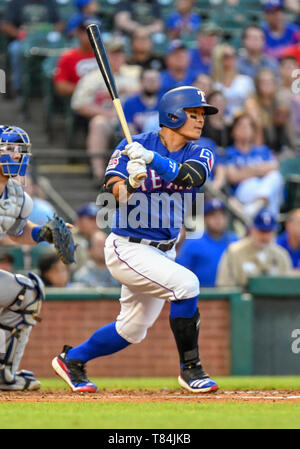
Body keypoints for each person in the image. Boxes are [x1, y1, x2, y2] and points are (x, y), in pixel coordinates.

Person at [52, 86, 220, 394]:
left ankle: (72, 359)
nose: (200, 121)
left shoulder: (201, 150)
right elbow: (114, 192)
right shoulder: (133, 144)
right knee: (187, 285)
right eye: (193, 114)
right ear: (173, 115)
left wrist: (153, 160)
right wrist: (130, 181)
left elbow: (191, 177)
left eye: (201, 115)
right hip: (127, 247)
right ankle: (191, 369)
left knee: (131, 330)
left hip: (163, 252)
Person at [0, 125, 72, 391]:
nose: (16, 156)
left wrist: (45, 233)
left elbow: (18, 231)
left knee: (30, 292)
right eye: (8, 149)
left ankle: (4, 374)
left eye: (19, 151)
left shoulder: (17, 195)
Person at [71, 35, 139, 181]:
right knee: (98, 123)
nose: (117, 57)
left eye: (120, 53)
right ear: (104, 55)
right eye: (114, 53)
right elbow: (79, 104)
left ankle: (144, 174)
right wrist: (107, 113)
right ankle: (98, 173)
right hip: (108, 118)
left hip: (132, 118)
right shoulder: (92, 78)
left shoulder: (134, 73)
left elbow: (147, 93)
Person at [225, 113, 284, 221]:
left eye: (248, 126)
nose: (245, 129)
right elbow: (233, 177)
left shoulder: (262, 150)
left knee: (276, 177)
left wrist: (247, 170)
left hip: (262, 189)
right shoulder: (229, 152)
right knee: (267, 191)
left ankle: (256, 206)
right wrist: (259, 170)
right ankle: (271, 226)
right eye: (241, 126)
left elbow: (275, 167)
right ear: (233, 130)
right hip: (243, 191)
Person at [216, 209, 293, 290]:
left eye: (269, 231)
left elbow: (287, 286)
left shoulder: (281, 255)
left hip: (274, 301)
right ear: (252, 230)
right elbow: (224, 286)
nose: (265, 237)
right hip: (243, 300)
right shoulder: (234, 252)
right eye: (262, 231)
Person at [1, 0, 63, 95]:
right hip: (23, 41)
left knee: (60, 51)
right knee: (15, 49)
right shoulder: (16, 2)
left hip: (46, 41)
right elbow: (5, 25)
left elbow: (60, 23)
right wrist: (18, 33)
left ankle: (53, 88)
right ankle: (19, 87)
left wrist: (52, 30)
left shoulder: (50, 2)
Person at [176, 199, 238, 287]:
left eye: (221, 215)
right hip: (202, 296)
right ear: (205, 218)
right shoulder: (193, 242)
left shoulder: (234, 240)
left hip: (231, 294)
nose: (218, 219)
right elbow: (182, 274)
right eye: (213, 215)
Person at [244, 67, 291, 152]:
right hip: (259, 146)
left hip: (279, 144)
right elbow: (258, 127)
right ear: (257, 85)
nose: (268, 84)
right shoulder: (251, 102)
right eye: (264, 82)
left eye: (270, 81)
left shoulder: (278, 100)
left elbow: (281, 123)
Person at [54, 15, 100, 97]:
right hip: (81, 99)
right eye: (88, 32)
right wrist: (87, 90)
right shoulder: (68, 57)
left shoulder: (106, 55)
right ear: (79, 33)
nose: (93, 36)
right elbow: (60, 86)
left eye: (96, 31)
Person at [211, 43, 255, 123]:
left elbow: (252, 108)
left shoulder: (245, 81)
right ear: (218, 58)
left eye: (233, 55)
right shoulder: (213, 83)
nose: (230, 59)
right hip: (219, 123)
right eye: (226, 56)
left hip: (241, 123)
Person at [123, 68, 161, 135]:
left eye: (155, 80)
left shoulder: (165, 102)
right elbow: (128, 129)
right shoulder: (129, 103)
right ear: (141, 82)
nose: (152, 84)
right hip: (138, 142)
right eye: (149, 80)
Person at [72, 202, 99, 270]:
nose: (95, 223)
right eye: (91, 219)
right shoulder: (68, 239)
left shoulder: (100, 240)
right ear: (79, 221)